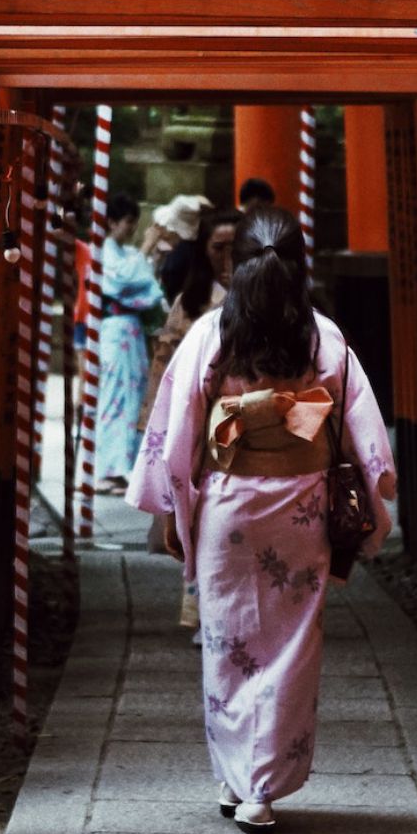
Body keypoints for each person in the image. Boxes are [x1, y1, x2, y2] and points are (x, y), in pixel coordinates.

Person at [128, 206, 397, 834]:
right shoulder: (324, 337)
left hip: (230, 501)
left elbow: (178, 433)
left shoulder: (211, 335)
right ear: (299, 265)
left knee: (227, 644)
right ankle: (261, 788)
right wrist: (376, 488)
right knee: (292, 646)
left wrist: (174, 505)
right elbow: (365, 436)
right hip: (300, 503)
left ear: (236, 262)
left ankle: (234, 776)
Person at [137, 210, 240, 627]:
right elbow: (166, 367)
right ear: (203, 251)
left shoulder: (264, 297)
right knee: (202, 519)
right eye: (218, 248)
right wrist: (154, 423)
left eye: (236, 248)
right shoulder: (192, 302)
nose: (227, 257)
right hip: (200, 424)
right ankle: (204, 609)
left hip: (249, 422)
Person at [93, 195, 164, 494]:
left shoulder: (122, 252)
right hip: (115, 328)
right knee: (115, 397)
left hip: (130, 329)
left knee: (133, 398)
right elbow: (121, 282)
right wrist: (146, 250)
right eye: (128, 223)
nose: (132, 230)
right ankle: (109, 469)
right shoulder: (106, 252)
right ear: (111, 222)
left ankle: (124, 468)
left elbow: (148, 287)